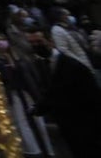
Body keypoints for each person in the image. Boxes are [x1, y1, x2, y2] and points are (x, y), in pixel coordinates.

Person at [25, 28, 101, 157]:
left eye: (38, 41)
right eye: (32, 43)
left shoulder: (71, 66)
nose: (35, 46)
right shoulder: (44, 64)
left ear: (50, 42)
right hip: (69, 125)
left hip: (85, 125)